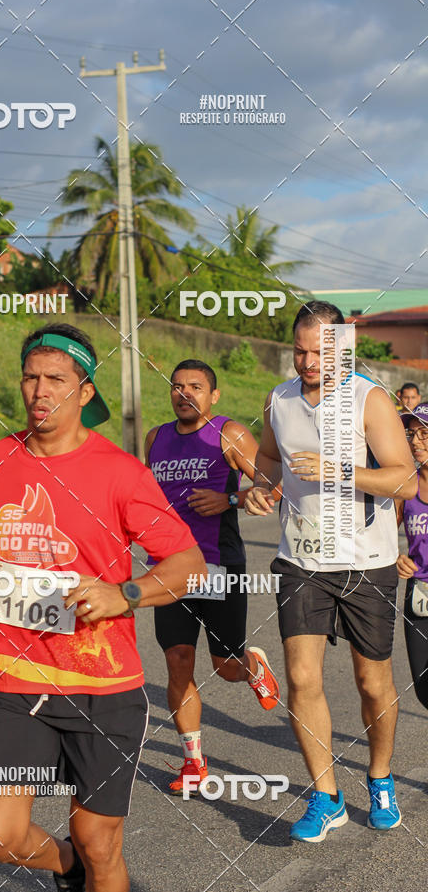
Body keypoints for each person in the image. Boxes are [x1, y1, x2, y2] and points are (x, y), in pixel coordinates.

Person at [0, 323, 205, 892]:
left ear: (85, 392)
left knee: (99, 840)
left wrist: (125, 593)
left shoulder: (119, 472)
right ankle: (74, 872)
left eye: (56, 379)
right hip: (19, 683)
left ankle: (90, 865)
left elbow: (188, 563)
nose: (40, 390)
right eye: (31, 378)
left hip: (103, 688)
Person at [245, 300, 416, 843]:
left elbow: (406, 482)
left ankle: (381, 777)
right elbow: (269, 461)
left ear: (344, 349)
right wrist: (259, 487)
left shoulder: (369, 399)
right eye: (300, 350)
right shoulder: (280, 400)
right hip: (302, 560)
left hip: (367, 563)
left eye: (321, 351)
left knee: (373, 683)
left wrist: (341, 469)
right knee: (301, 678)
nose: (308, 361)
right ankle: (325, 795)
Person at [144, 359, 280, 796]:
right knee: (178, 663)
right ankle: (194, 764)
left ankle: (253, 666)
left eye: (196, 387)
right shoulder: (156, 437)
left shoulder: (229, 433)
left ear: (213, 395)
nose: (185, 393)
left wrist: (229, 499)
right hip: (167, 569)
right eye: (177, 386)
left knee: (225, 667)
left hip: (219, 566)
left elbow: (272, 483)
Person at [397, 403, 428, 711]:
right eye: (412, 434)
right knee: (423, 688)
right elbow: (378, 532)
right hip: (419, 592)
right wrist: (395, 556)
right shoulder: (406, 486)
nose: (416, 441)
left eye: (424, 433)